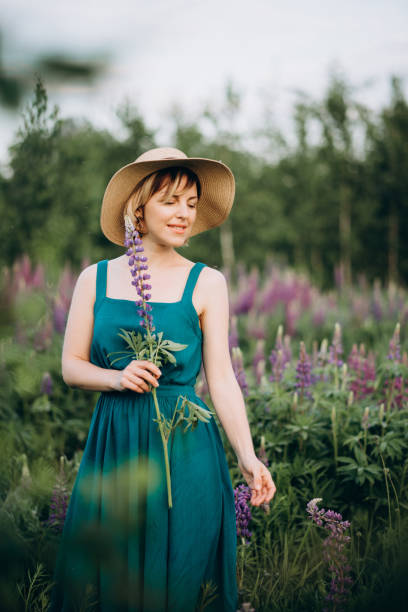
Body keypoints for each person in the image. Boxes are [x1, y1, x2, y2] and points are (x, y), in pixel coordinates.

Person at [49, 147, 276, 612]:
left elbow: (221, 378)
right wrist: (116, 378)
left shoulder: (208, 281)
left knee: (180, 577)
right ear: (139, 207)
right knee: (116, 579)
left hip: (187, 442)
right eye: (170, 201)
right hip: (119, 441)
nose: (183, 214)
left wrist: (248, 457)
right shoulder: (95, 278)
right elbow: (70, 367)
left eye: (191, 203)